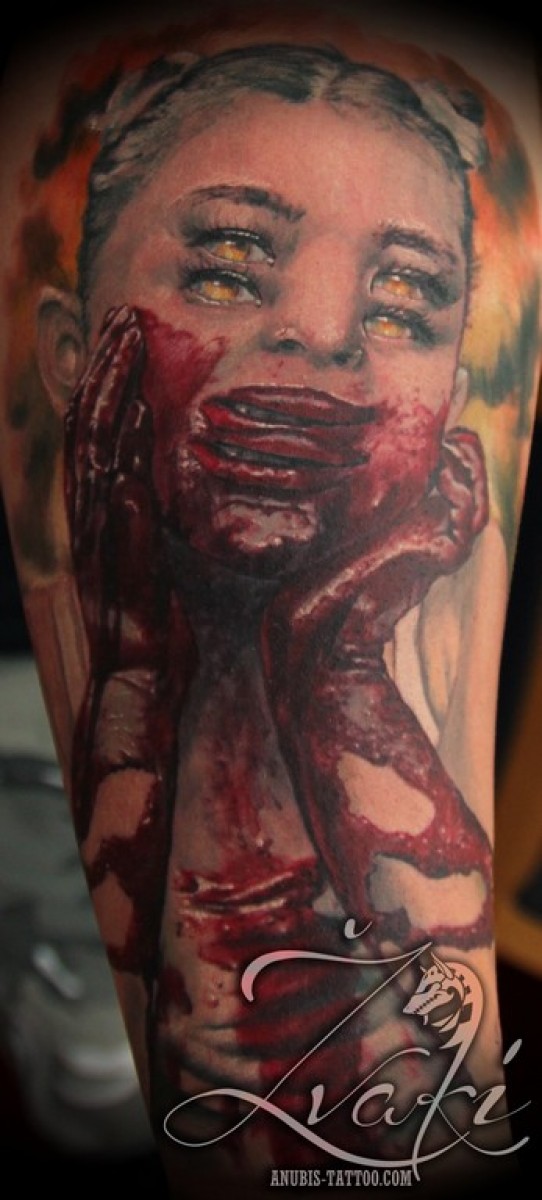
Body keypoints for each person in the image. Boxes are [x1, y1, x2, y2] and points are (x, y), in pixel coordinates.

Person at [0, 5, 540, 1196]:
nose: (321, 334)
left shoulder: (436, 620)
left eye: (400, 304)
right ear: (69, 351)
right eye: (227, 270)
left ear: (451, 398)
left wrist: (339, 689)